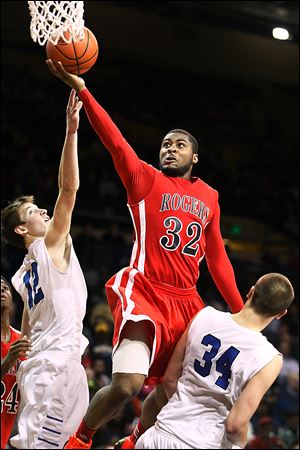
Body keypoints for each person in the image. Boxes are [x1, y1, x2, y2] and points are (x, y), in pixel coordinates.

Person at [46, 60, 245, 450]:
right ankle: (81, 439)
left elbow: (218, 260)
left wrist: (241, 315)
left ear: (196, 157)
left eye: (179, 144)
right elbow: (115, 141)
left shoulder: (211, 198)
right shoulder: (145, 179)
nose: (170, 149)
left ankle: (132, 441)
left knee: (173, 392)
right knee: (126, 386)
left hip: (188, 304)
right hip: (146, 291)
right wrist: (84, 92)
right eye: (166, 144)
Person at [1, 90, 89, 449]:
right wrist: (71, 132)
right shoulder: (45, 245)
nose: (44, 213)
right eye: (34, 212)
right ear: (22, 230)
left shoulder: (23, 273)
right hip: (52, 367)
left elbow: (27, 329)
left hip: (58, 364)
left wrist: (21, 362)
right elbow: (68, 188)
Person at [134, 273, 294, 449]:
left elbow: (170, 378)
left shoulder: (205, 315)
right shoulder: (270, 358)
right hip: (205, 443)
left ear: (251, 292)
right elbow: (236, 424)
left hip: (161, 433)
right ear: (281, 313)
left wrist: (184, 412)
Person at [1, 275, 31, 449]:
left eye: (5, 288)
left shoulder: (21, 339)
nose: (2, 291)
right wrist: (9, 359)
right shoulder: (16, 348)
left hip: (9, 430)